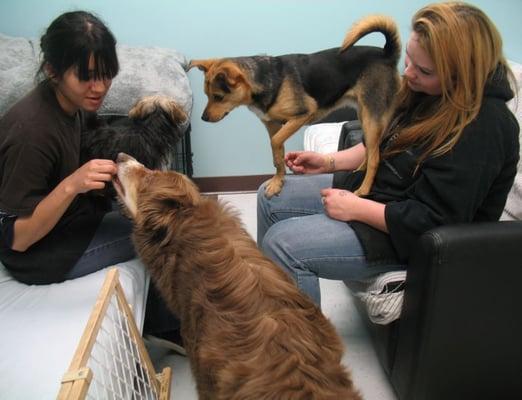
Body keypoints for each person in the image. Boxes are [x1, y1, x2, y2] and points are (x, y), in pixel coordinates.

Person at [257, 2, 520, 306]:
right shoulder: (428, 91)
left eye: (423, 70)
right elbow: (384, 143)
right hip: (383, 197)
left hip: (415, 238)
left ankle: (304, 352)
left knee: (284, 244)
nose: (408, 75)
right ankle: (272, 314)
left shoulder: (484, 128)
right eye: (408, 60)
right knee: (269, 196)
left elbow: (435, 221)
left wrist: (356, 209)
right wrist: (329, 161)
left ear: (462, 74)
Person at [0, 10, 183, 353]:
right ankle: (169, 328)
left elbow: (98, 151)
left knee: (165, 207)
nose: (99, 88)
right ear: (52, 70)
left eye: (106, 75)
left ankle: (164, 323)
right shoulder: (32, 132)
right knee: (163, 231)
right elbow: (17, 239)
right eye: (86, 77)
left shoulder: (74, 103)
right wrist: (72, 184)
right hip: (41, 254)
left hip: (77, 218)